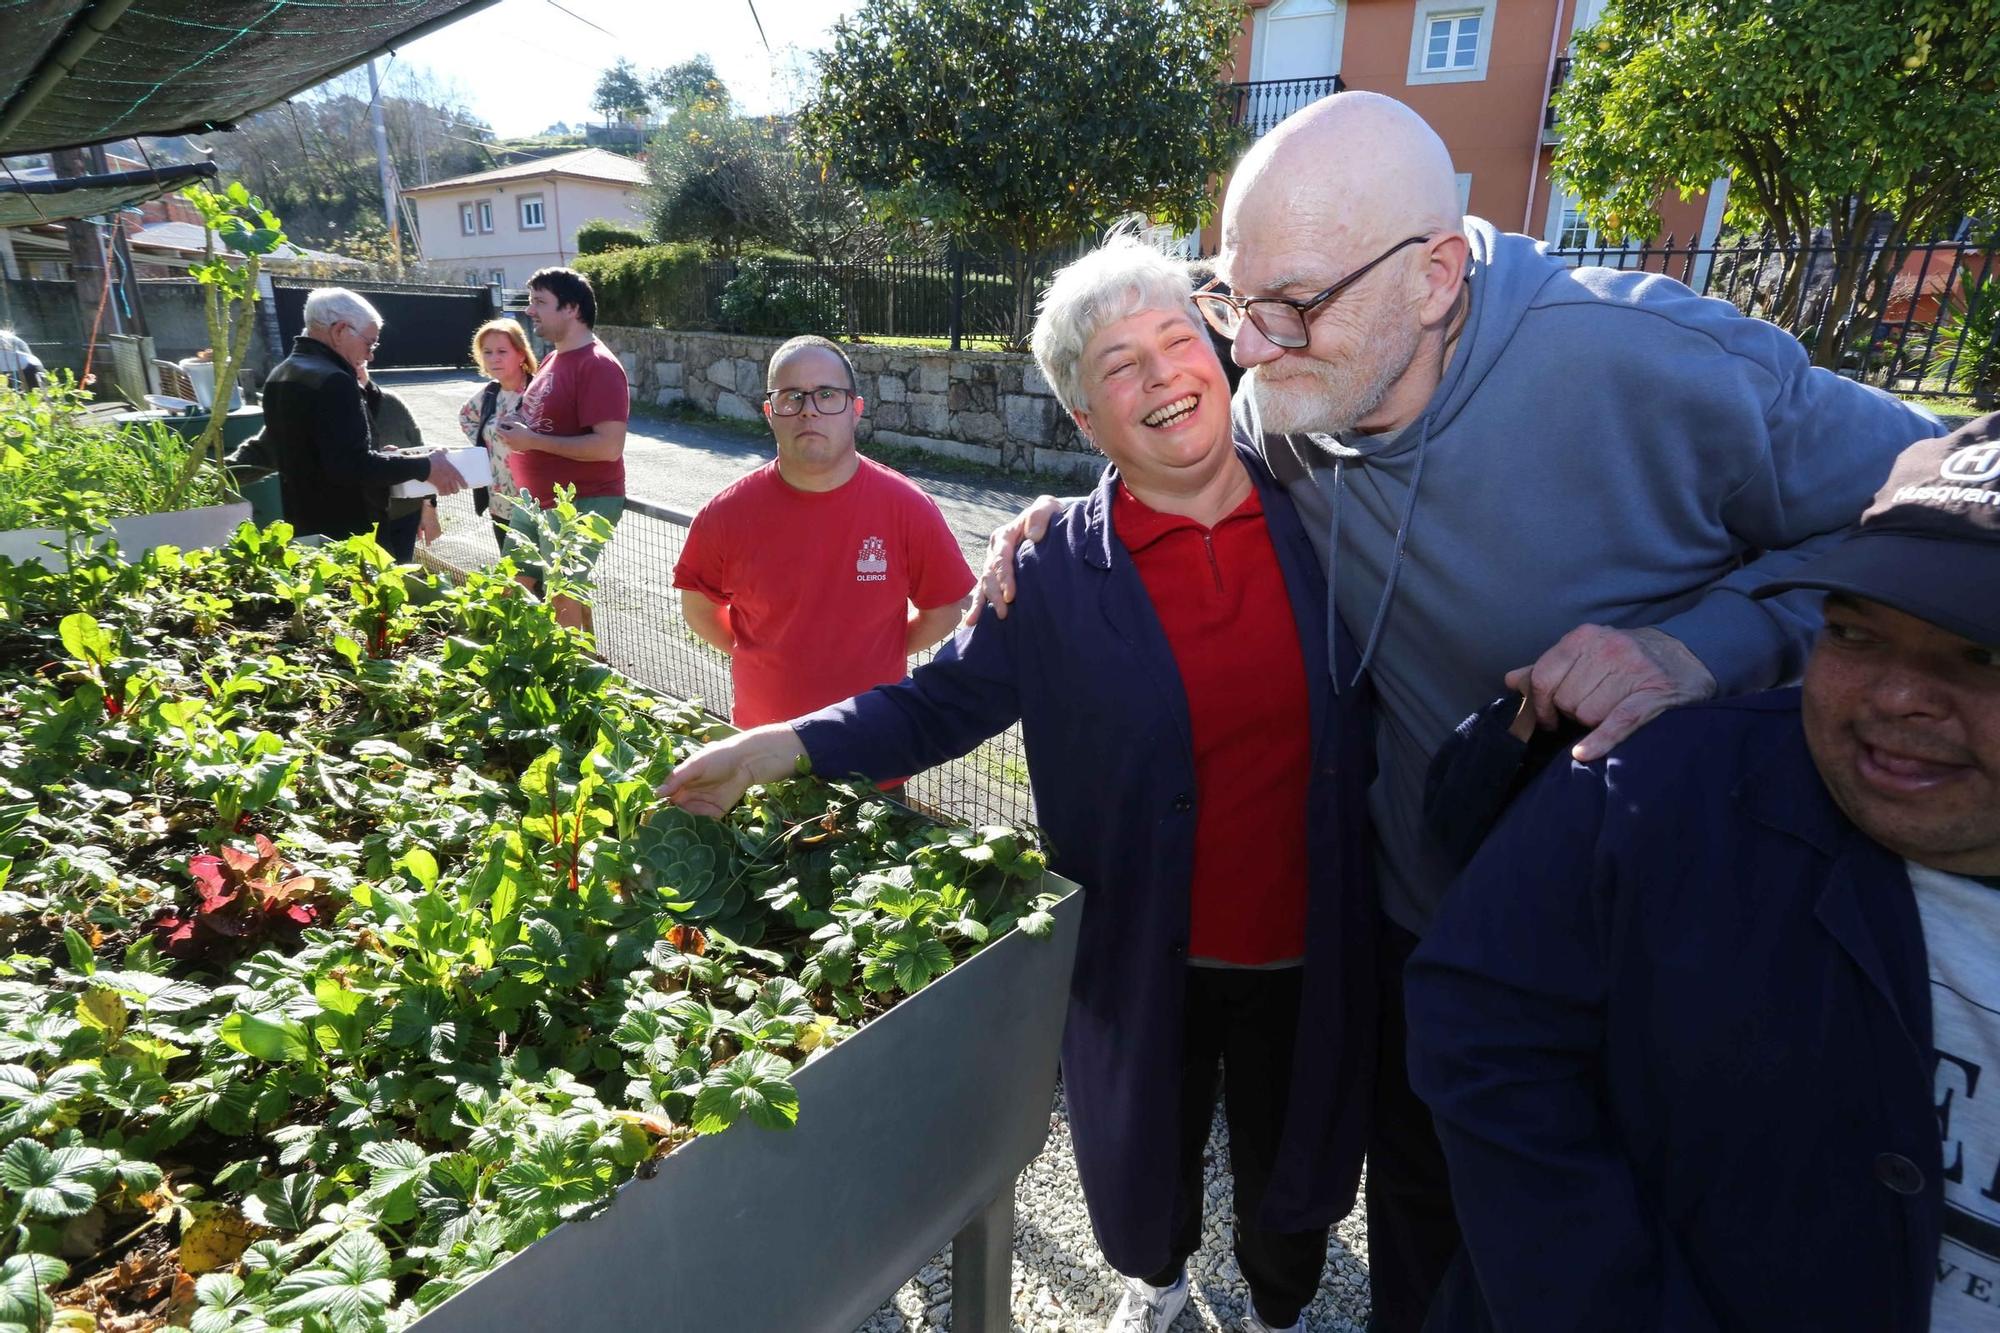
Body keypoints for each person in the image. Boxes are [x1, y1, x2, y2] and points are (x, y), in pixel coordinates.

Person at [975, 91, 1944, 1330]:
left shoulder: (1653, 362)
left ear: (1433, 274)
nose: (1250, 352)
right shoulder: (1292, 397)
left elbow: (1945, 515)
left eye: (1292, 306)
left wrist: (1703, 643)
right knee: (1420, 1256)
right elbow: (1175, 456)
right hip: (1412, 931)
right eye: (1231, 299)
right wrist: (1067, 520)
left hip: (1648, 959)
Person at [663, 240, 1377, 1333]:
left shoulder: (1333, 515)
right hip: (1144, 945)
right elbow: (932, 704)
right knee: (1143, 1145)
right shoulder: (1048, 570)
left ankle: (1280, 1308)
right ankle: (1158, 1283)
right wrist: (779, 745)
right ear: (1083, 419)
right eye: (1116, 365)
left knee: (1299, 1149)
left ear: (1221, 352)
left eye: (1174, 339)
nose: (1159, 376)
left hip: (1310, 936)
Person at [1405, 418, 2000, 1331]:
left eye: (1981, 653)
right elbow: (1479, 1023)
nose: (1894, 698)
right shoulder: (1642, 783)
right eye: (1857, 633)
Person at [671, 334, 974, 729]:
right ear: (769, 411)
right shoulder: (725, 513)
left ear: (856, 409)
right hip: (762, 753)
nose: (808, 411)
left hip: (874, 752)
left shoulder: (908, 507)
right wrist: (757, 652)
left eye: (827, 394)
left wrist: (881, 654)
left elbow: (944, 610)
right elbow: (699, 609)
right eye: (791, 396)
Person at [262, 288, 464, 540]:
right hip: (346, 532)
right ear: (339, 331)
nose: (370, 354)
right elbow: (352, 465)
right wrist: (424, 465)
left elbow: (314, 452)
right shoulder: (334, 379)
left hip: (302, 525)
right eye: (369, 342)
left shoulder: (282, 374)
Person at [495, 267, 628, 630]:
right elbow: (539, 415)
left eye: (540, 302)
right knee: (511, 585)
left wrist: (533, 441)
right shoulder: (554, 359)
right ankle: (517, 662)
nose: (529, 310)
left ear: (571, 308)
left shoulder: (598, 366)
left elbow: (609, 447)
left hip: (580, 502)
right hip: (535, 499)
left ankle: (573, 677)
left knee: (563, 594)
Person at [458, 318, 538, 555]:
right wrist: (488, 447)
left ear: (521, 354)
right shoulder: (490, 394)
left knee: (542, 579)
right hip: (499, 503)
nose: (494, 358)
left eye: (502, 351)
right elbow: (466, 417)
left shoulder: (538, 392)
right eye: (488, 352)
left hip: (534, 505)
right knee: (513, 574)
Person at [357, 364, 441, 562]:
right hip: (363, 523)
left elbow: (420, 451)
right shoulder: (333, 408)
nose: (357, 368)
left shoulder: (391, 402)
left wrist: (429, 509)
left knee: (402, 578)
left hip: (405, 514)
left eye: (360, 363)